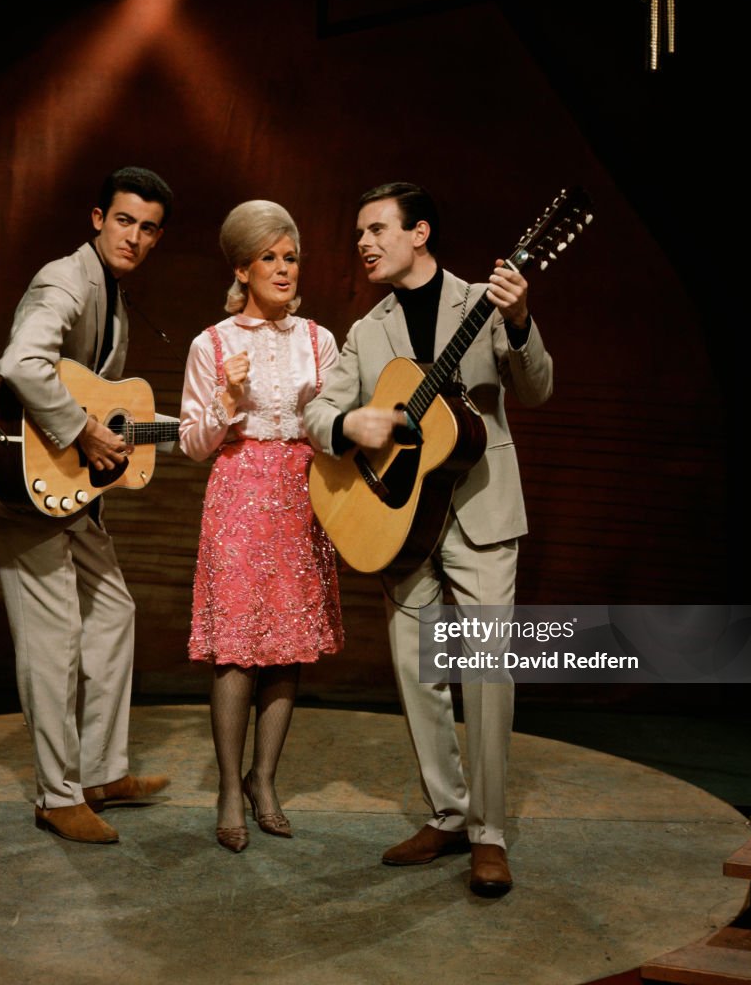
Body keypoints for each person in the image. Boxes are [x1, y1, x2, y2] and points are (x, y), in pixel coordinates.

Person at [303, 182, 553, 896]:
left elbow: (536, 390)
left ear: (420, 233)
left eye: (377, 228)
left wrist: (524, 320)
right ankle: (447, 814)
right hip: (401, 520)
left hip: (479, 509)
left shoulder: (484, 298)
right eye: (359, 232)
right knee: (419, 675)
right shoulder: (366, 328)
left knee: (487, 675)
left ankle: (490, 833)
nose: (363, 243)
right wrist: (352, 426)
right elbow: (319, 411)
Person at [0, 166, 175, 844]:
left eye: (148, 228)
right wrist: (81, 430)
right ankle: (57, 796)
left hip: (72, 496)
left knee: (114, 611)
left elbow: (97, 395)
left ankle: (99, 771)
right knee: (52, 642)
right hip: (28, 491)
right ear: (97, 218)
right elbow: (23, 363)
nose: (134, 237)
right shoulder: (66, 278)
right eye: (124, 221)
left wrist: (193, 428)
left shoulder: (111, 294)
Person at [179, 200, 344, 853]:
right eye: (270, 257)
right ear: (243, 267)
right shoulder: (211, 343)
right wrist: (226, 399)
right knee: (237, 647)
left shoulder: (319, 339)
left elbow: (334, 427)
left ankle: (264, 779)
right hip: (238, 495)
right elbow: (192, 444)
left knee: (289, 646)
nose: (283, 268)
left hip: (302, 497)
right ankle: (227, 788)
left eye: (291, 256)